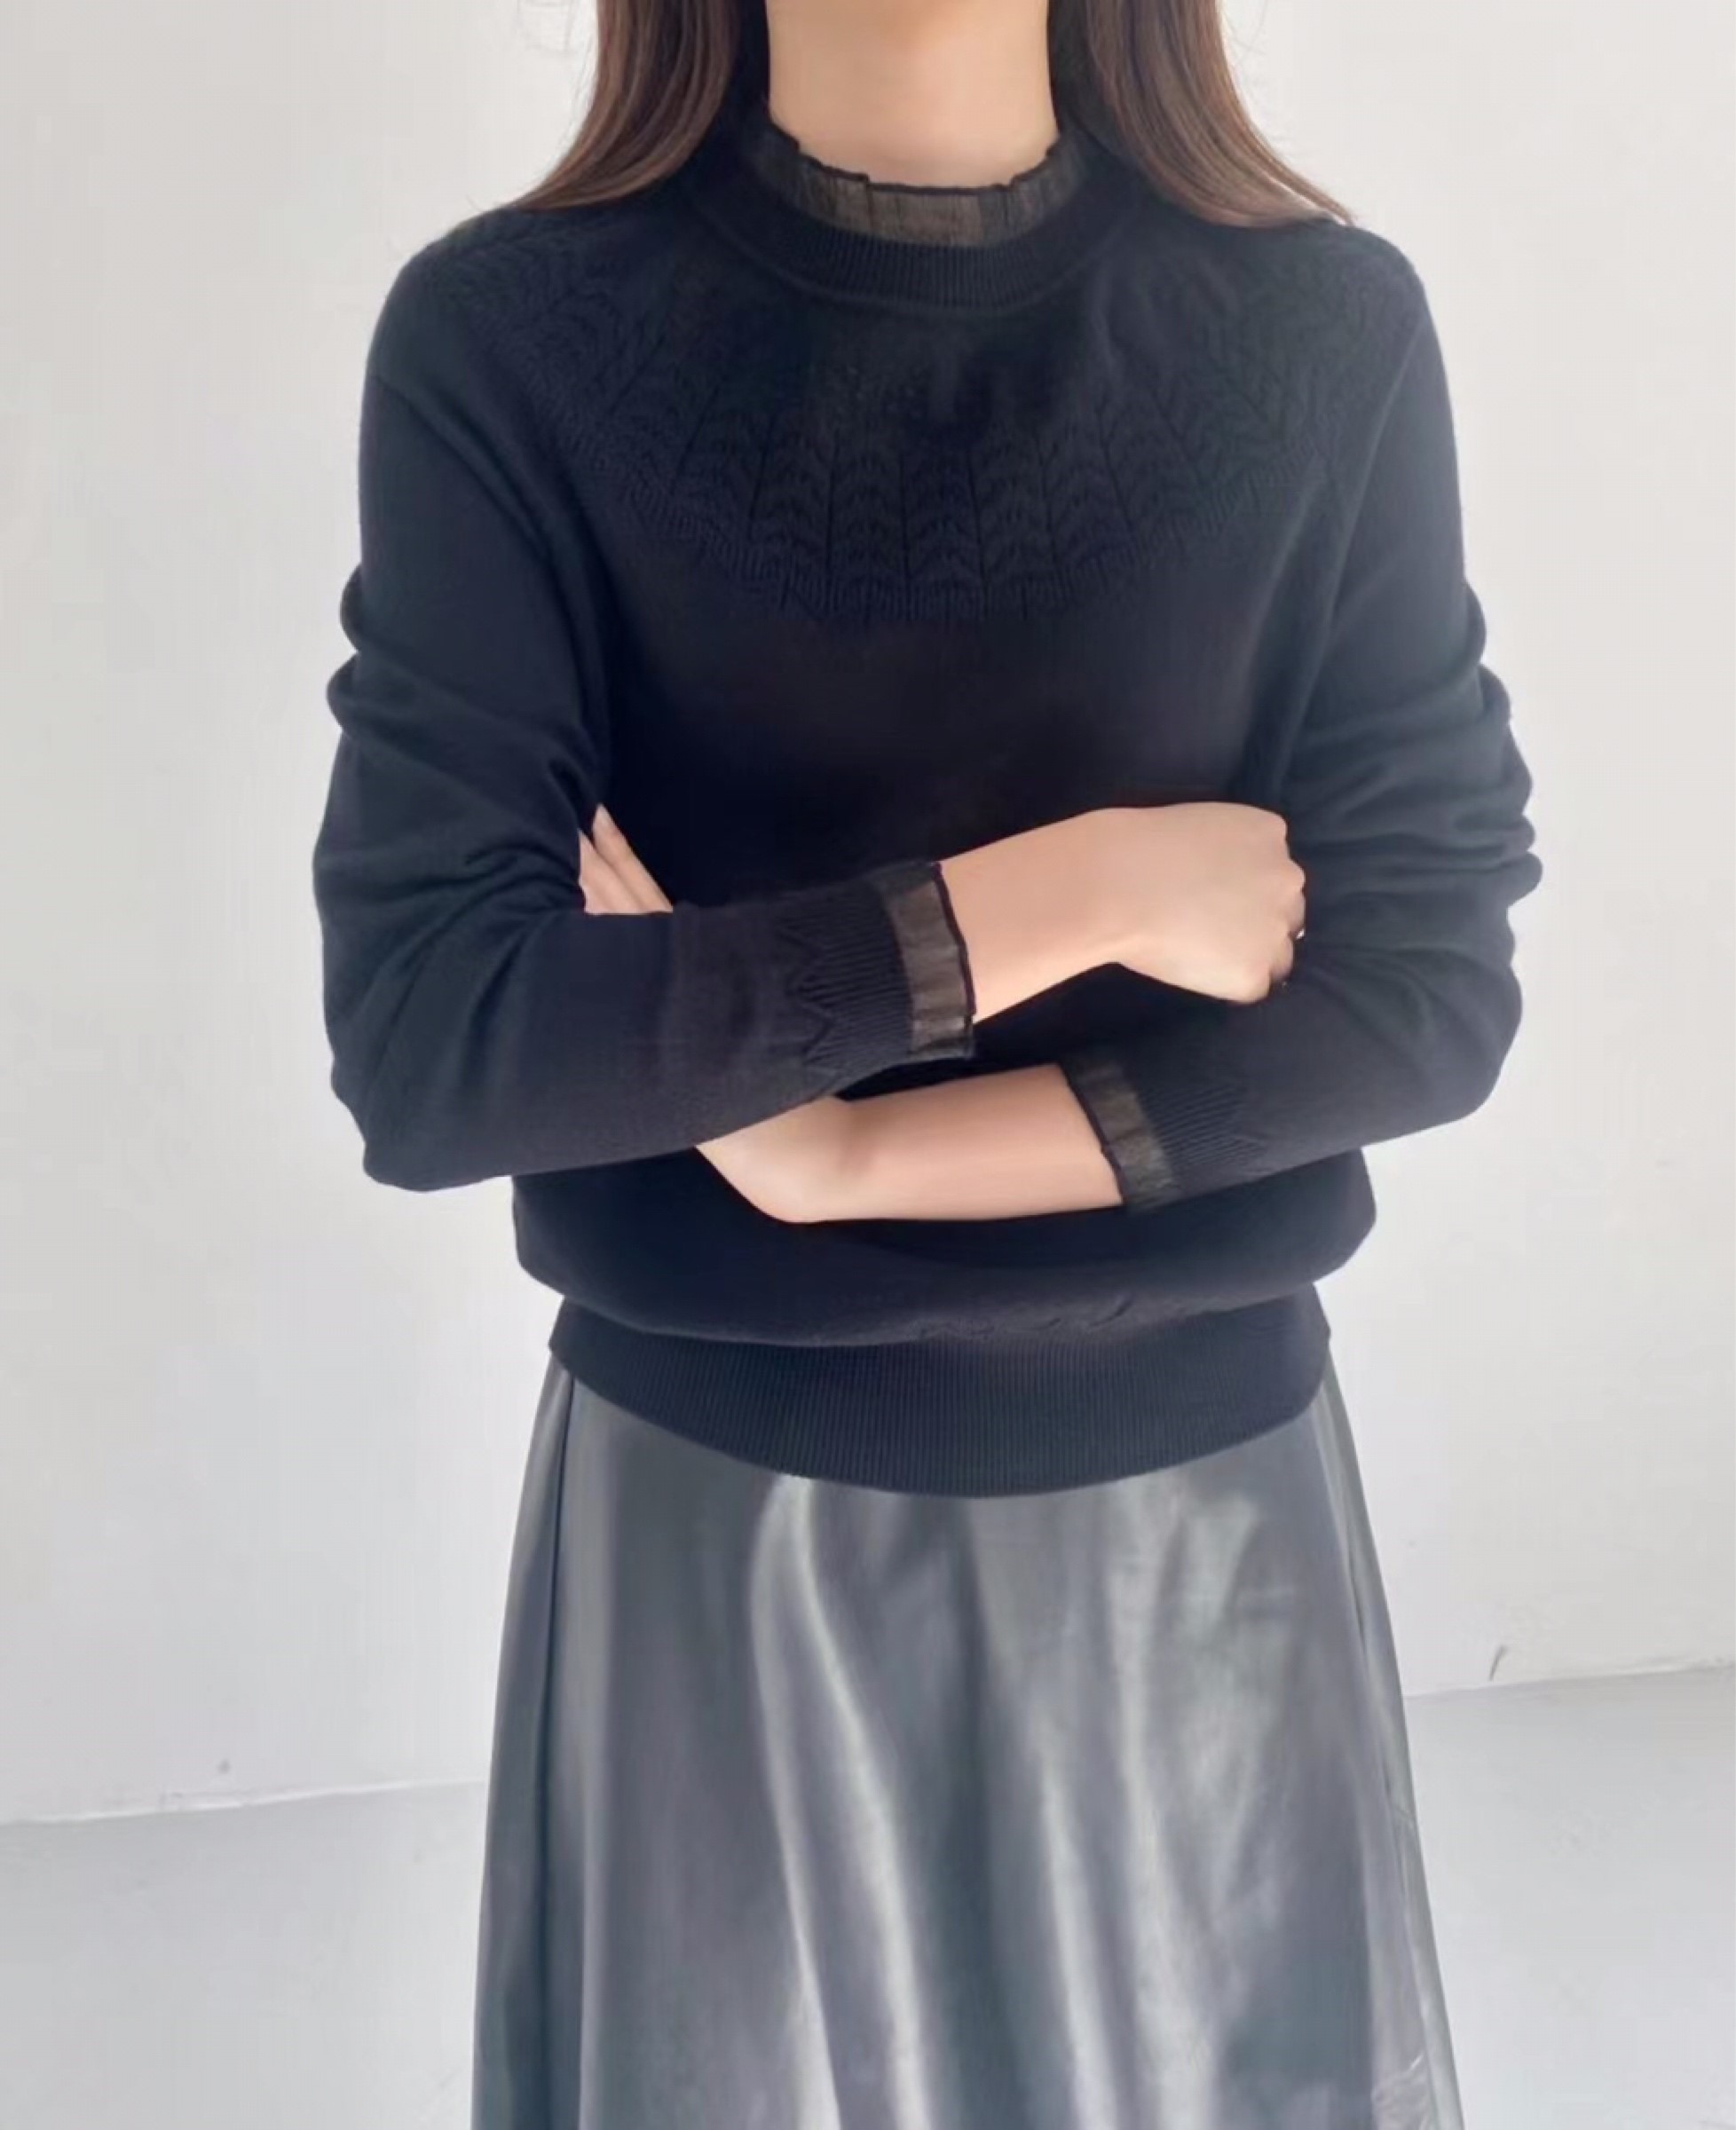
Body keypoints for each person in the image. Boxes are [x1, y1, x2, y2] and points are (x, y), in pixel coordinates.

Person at [311, 0, 1541, 2121]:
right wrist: (1072, 893)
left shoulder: (1317, 333)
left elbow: (1425, 991)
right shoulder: (513, 342)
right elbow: (436, 1039)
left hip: (1201, 1555)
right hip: (727, 1551)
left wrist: (856, 1160)